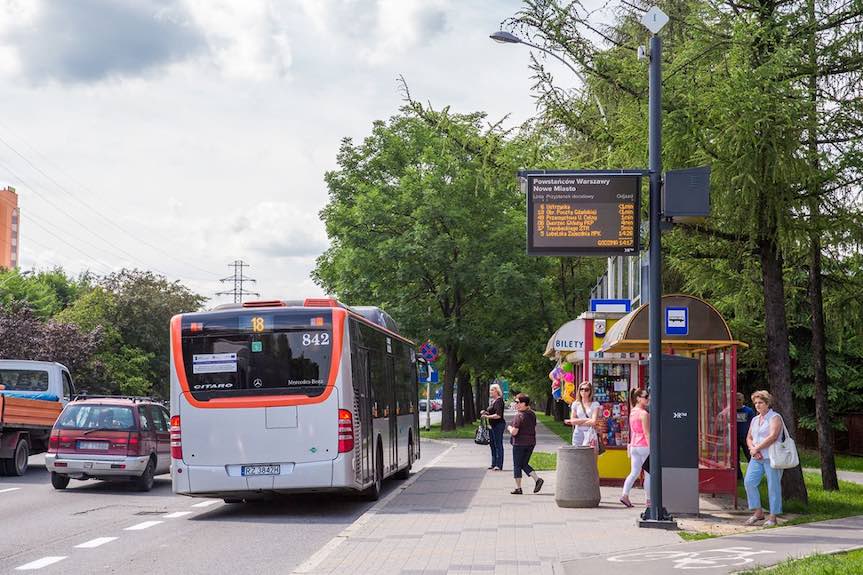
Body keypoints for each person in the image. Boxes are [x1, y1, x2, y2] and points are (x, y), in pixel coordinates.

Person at [744, 390, 784, 527]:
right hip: (756, 457)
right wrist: (753, 449)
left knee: (773, 486)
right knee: (749, 482)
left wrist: (758, 448)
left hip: (771, 457)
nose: (757, 405)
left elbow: (773, 436)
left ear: (767, 403)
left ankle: (773, 517)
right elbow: (749, 437)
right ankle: (758, 512)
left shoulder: (775, 417)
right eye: (755, 403)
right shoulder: (755, 419)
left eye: (760, 402)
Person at [507, 393, 544, 495]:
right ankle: (537, 480)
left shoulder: (519, 416)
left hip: (519, 444)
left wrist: (509, 428)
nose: (516, 404)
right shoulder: (532, 414)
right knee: (524, 464)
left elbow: (514, 432)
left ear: (524, 403)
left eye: (517, 402)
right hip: (531, 443)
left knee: (517, 465)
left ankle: (518, 488)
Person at [620, 389, 650, 508]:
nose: (648, 399)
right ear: (638, 398)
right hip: (644, 446)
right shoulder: (644, 414)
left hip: (634, 446)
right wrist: (651, 447)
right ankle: (649, 500)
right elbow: (646, 433)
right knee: (648, 474)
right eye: (645, 397)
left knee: (634, 472)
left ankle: (625, 495)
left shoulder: (632, 412)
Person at [565, 381, 600, 448]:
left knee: (589, 452)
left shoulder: (595, 404)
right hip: (578, 433)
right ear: (579, 390)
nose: (583, 391)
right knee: (577, 452)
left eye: (586, 389)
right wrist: (588, 419)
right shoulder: (575, 404)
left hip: (590, 432)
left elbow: (594, 421)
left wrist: (578, 422)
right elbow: (573, 421)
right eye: (581, 389)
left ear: (590, 391)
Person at [480, 383, 506, 471]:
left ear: (497, 391)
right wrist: (485, 412)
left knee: (498, 444)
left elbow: (498, 415)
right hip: (492, 425)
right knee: (492, 444)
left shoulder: (499, 401)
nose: (490, 392)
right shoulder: (493, 401)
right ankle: (494, 463)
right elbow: (492, 412)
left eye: (492, 390)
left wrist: (487, 416)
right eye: (490, 390)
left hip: (498, 425)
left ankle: (499, 465)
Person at [736, 392, 755, 480]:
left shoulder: (749, 411)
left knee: (750, 456)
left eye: (739, 400)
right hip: (734, 438)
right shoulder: (731, 410)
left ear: (743, 400)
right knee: (735, 458)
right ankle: (738, 476)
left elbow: (753, 424)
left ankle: (753, 475)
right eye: (736, 400)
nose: (737, 402)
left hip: (746, 438)